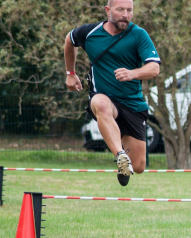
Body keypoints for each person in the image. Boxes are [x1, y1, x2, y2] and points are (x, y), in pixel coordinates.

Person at [64, 0, 160, 186]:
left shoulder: (139, 35)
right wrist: (70, 73)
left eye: (129, 10)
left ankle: (125, 161)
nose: (126, 14)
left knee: (139, 166)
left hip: (132, 104)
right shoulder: (90, 33)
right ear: (108, 10)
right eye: (120, 10)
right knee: (100, 103)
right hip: (104, 98)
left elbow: (154, 68)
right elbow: (70, 40)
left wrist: (133, 73)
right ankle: (120, 156)